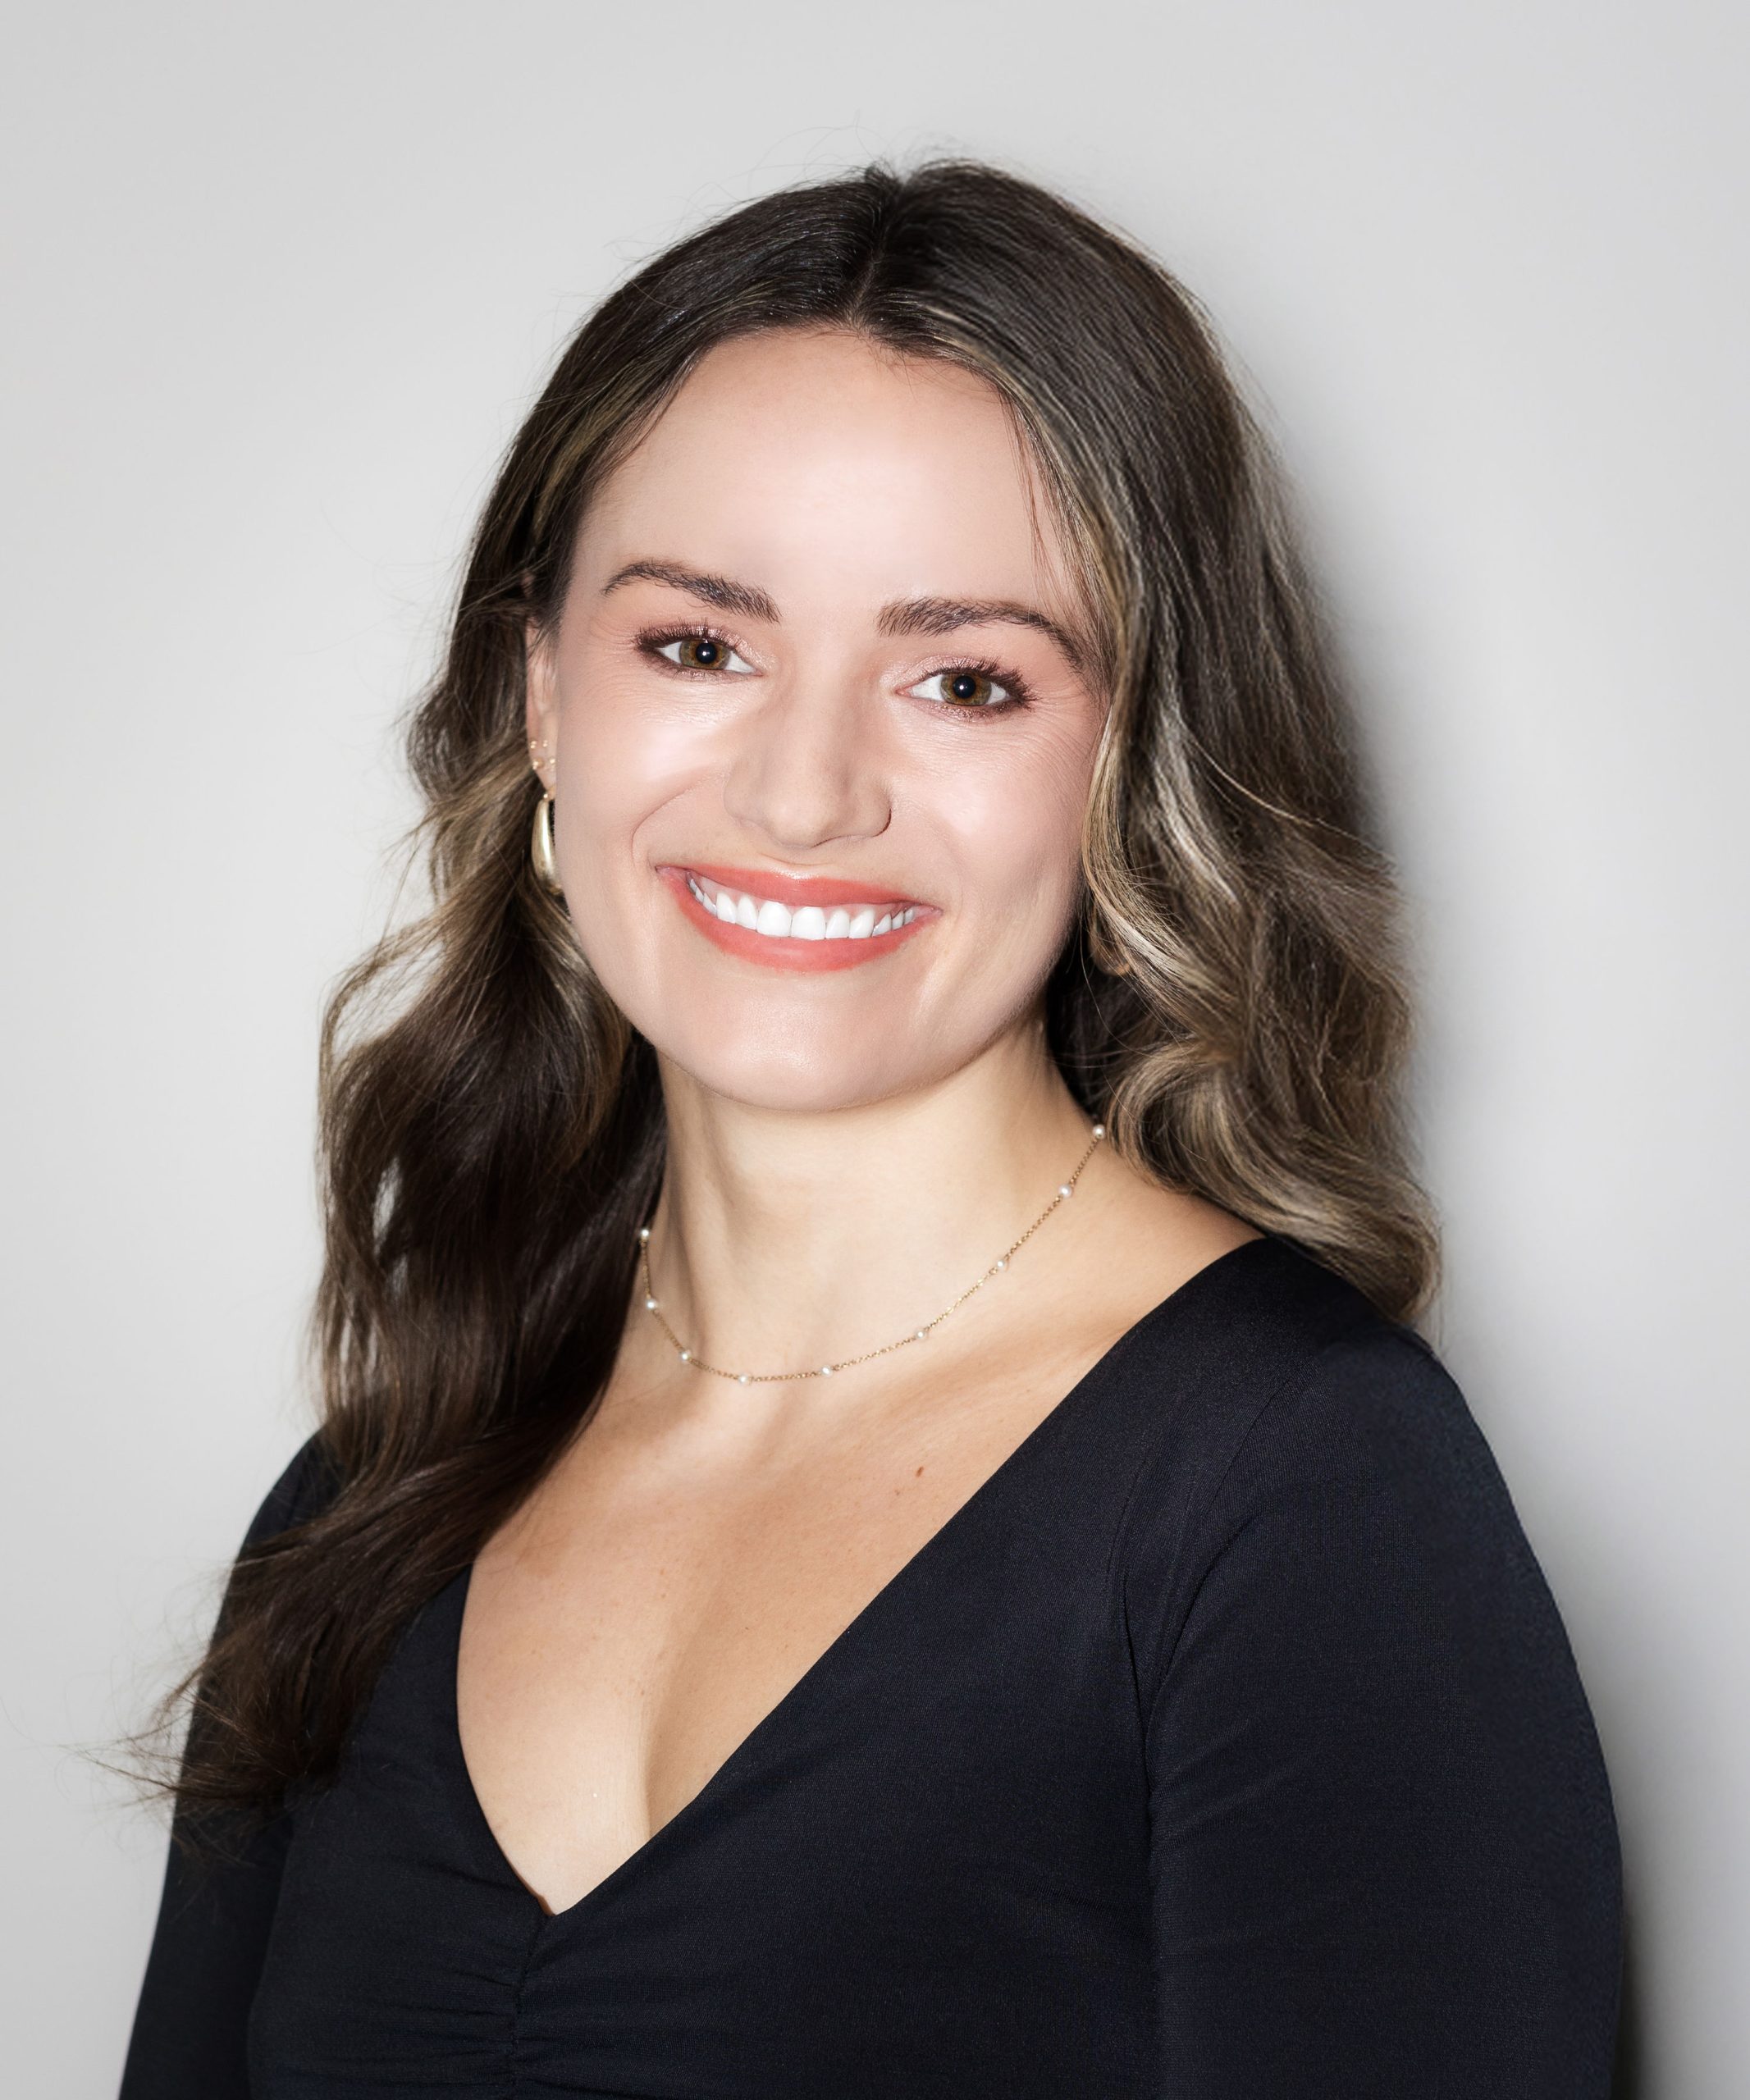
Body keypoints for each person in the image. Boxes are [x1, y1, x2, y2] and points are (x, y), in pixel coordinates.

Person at [118, 160, 1623, 2098]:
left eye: (964, 679)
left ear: (1127, 768)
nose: (807, 788)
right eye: (696, 644)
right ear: (542, 703)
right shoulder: (372, 1493)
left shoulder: (1298, 1494)